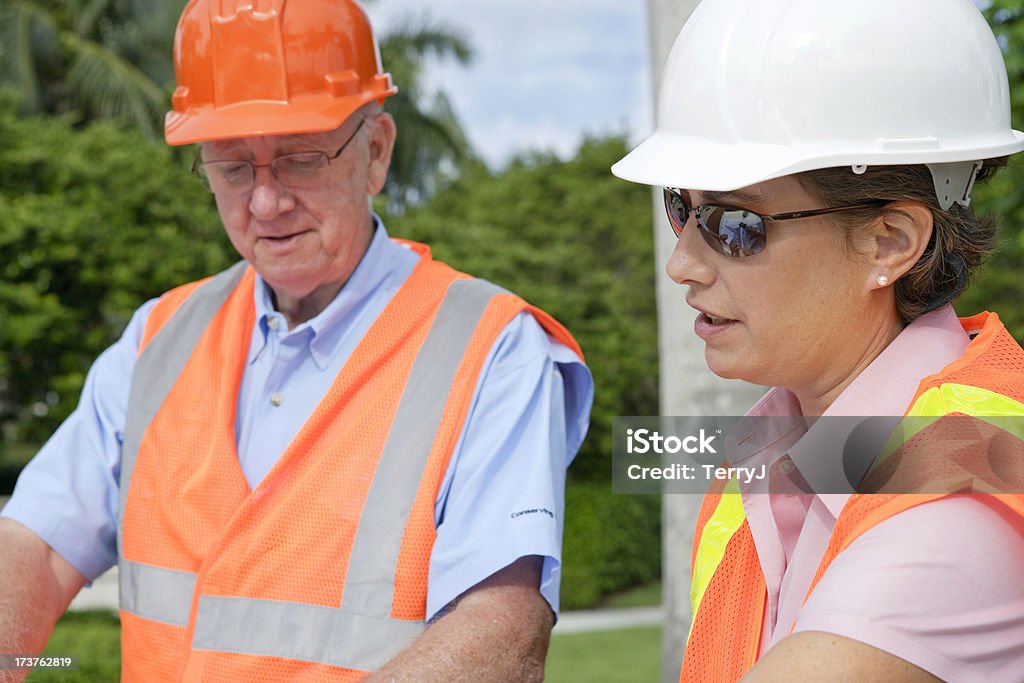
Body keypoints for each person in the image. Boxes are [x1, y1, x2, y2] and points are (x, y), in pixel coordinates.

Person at [0, 0, 592, 680]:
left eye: (299, 159)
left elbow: (500, 632)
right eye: (231, 166)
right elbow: (35, 548)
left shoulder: (491, 349)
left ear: (376, 151)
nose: (265, 202)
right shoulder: (157, 341)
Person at [613, 0, 1024, 681]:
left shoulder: (962, 487)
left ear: (888, 241)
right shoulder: (775, 452)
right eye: (681, 208)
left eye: (734, 222)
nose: (680, 262)